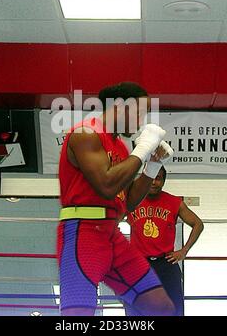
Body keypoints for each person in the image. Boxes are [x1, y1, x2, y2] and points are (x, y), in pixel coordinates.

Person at [57, 82, 175, 316]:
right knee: (78, 317)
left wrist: (152, 165)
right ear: (121, 107)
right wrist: (142, 149)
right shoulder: (86, 134)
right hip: (83, 233)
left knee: (161, 307)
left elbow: (128, 201)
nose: (142, 121)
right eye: (140, 112)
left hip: (112, 234)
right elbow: (107, 186)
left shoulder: (119, 146)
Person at [126, 166, 204, 316]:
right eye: (151, 178)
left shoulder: (174, 202)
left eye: (158, 178)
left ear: (163, 181)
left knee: (174, 309)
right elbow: (110, 222)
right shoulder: (131, 201)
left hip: (166, 264)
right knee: (134, 308)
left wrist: (184, 250)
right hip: (138, 264)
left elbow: (198, 224)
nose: (154, 182)